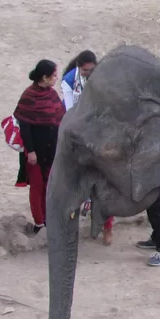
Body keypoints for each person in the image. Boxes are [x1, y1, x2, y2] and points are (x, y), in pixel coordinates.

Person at [61, 50, 114, 245]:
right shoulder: (68, 81)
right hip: (79, 134)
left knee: (103, 184)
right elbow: (70, 112)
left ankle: (107, 226)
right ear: (79, 68)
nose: (89, 74)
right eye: (85, 71)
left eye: (92, 70)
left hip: (99, 135)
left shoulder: (104, 78)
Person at [14, 60, 64, 234]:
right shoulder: (28, 96)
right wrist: (31, 151)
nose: (56, 78)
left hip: (52, 150)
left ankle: (49, 219)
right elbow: (24, 126)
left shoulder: (52, 95)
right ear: (45, 77)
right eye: (54, 75)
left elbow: (59, 119)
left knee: (50, 186)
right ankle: (39, 223)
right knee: (37, 187)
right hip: (35, 152)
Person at [134, 184, 160, 267]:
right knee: (150, 202)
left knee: (157, 204)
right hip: (150, 176)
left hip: (157, 176)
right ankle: (156, 239)